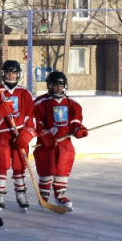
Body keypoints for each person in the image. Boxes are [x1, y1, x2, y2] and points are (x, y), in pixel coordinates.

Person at [0, 60, 35, 212]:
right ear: (3, 74)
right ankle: (0, 194)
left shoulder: (25, 93)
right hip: (1, 136)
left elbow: (30, 116)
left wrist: (28, 132)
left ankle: (21, 193)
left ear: (18, 74)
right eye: (8, 72)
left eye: (14, 73)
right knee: (1, 166)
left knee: (20, 165)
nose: (11, 75)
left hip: (19, 135)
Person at [33, 70, 87, 211]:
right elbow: (35, 122)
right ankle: (44, 196)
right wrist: (44, 134)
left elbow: (75, 122)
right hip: (46, 143)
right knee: (47, 169)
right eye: (55, 85)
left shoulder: (72, 104)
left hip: (64, 143)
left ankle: (60, 195)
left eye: (61, 85)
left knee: (63, 168)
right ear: (49, 86)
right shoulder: (40, 102)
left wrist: (78, 130)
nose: (58, 88)